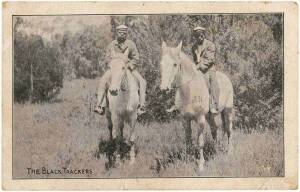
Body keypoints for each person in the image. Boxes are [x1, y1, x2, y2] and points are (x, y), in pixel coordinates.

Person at [94, 24, 146, 115]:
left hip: (127, 68)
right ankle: (99, 105)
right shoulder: (111, 45)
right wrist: (113, 64)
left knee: (142, 81)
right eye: (120, 32)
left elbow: (136, 57)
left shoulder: (131, 44)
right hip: (114, 69)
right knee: (103, 81)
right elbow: (107, 58)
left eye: (124, 33)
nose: (122, 34)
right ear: (116, 33)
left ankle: (141, 106)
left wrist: (130, 65)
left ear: (126, 34)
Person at [167, 26, 219, 114]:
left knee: (211, 83)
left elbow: (209, 60)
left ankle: (213, 105)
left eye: (201, 35)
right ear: (195, 36)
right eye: (197, 35)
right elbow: (195, 60)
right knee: (183, 81)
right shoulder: (194, 47)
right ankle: (178, 103)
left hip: (208, 69)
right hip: (197, 69)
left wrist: (198, 67)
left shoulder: (210, 45)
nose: (200, 37)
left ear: (204, 35)